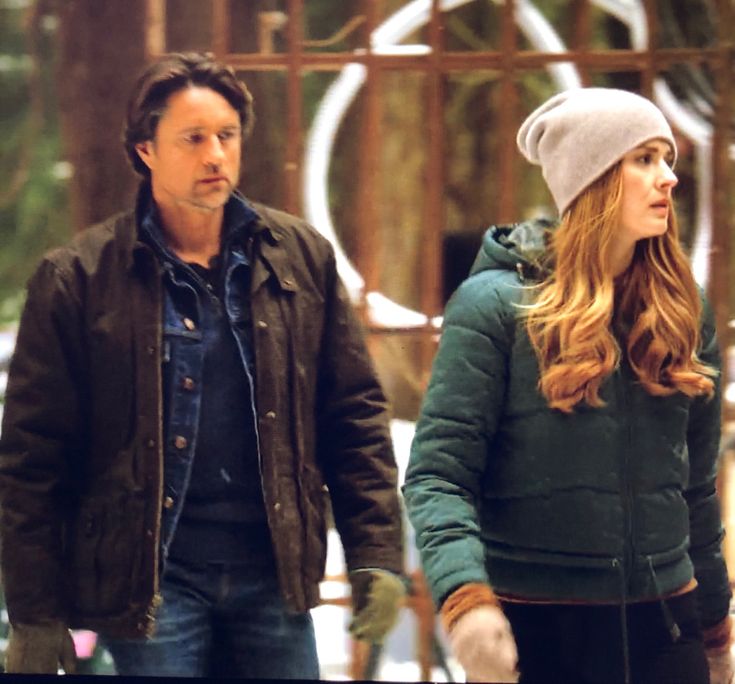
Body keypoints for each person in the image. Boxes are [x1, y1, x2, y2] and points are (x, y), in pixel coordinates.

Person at [0, 52, 405, 677]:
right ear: (146, 150)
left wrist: (375, 550)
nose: (216, 154)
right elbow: (33, 457)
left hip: (273, 572)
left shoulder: (301, 258)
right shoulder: (78, 278)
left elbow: (353, 416)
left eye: (227, 135)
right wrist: (34, 610)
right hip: (154, 581)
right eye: (193, 138)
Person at [403, 87, 734, 684]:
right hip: (539, 629)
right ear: (593, 178)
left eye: (666, 159)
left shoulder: (682, 310)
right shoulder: (495, 307)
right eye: (644, 159)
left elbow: (695, 490)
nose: (668, 178)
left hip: (666, 627)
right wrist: (467, 600)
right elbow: (438, 476)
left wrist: (715, 630)